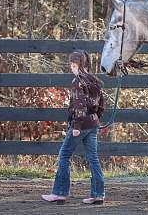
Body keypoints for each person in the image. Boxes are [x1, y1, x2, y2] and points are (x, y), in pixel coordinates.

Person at [41, 50, 105, 205]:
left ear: (76, 64)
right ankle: (98, 194)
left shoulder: (78, 82)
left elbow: (79, 105)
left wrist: (76, 125)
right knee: (93, 159)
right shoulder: (95, 81)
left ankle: (59, 193)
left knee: (64, 155)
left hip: (80, 125)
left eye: (72, 64)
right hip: (92, 124)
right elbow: (101, 104)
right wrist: (96, 119)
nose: (71, 67)